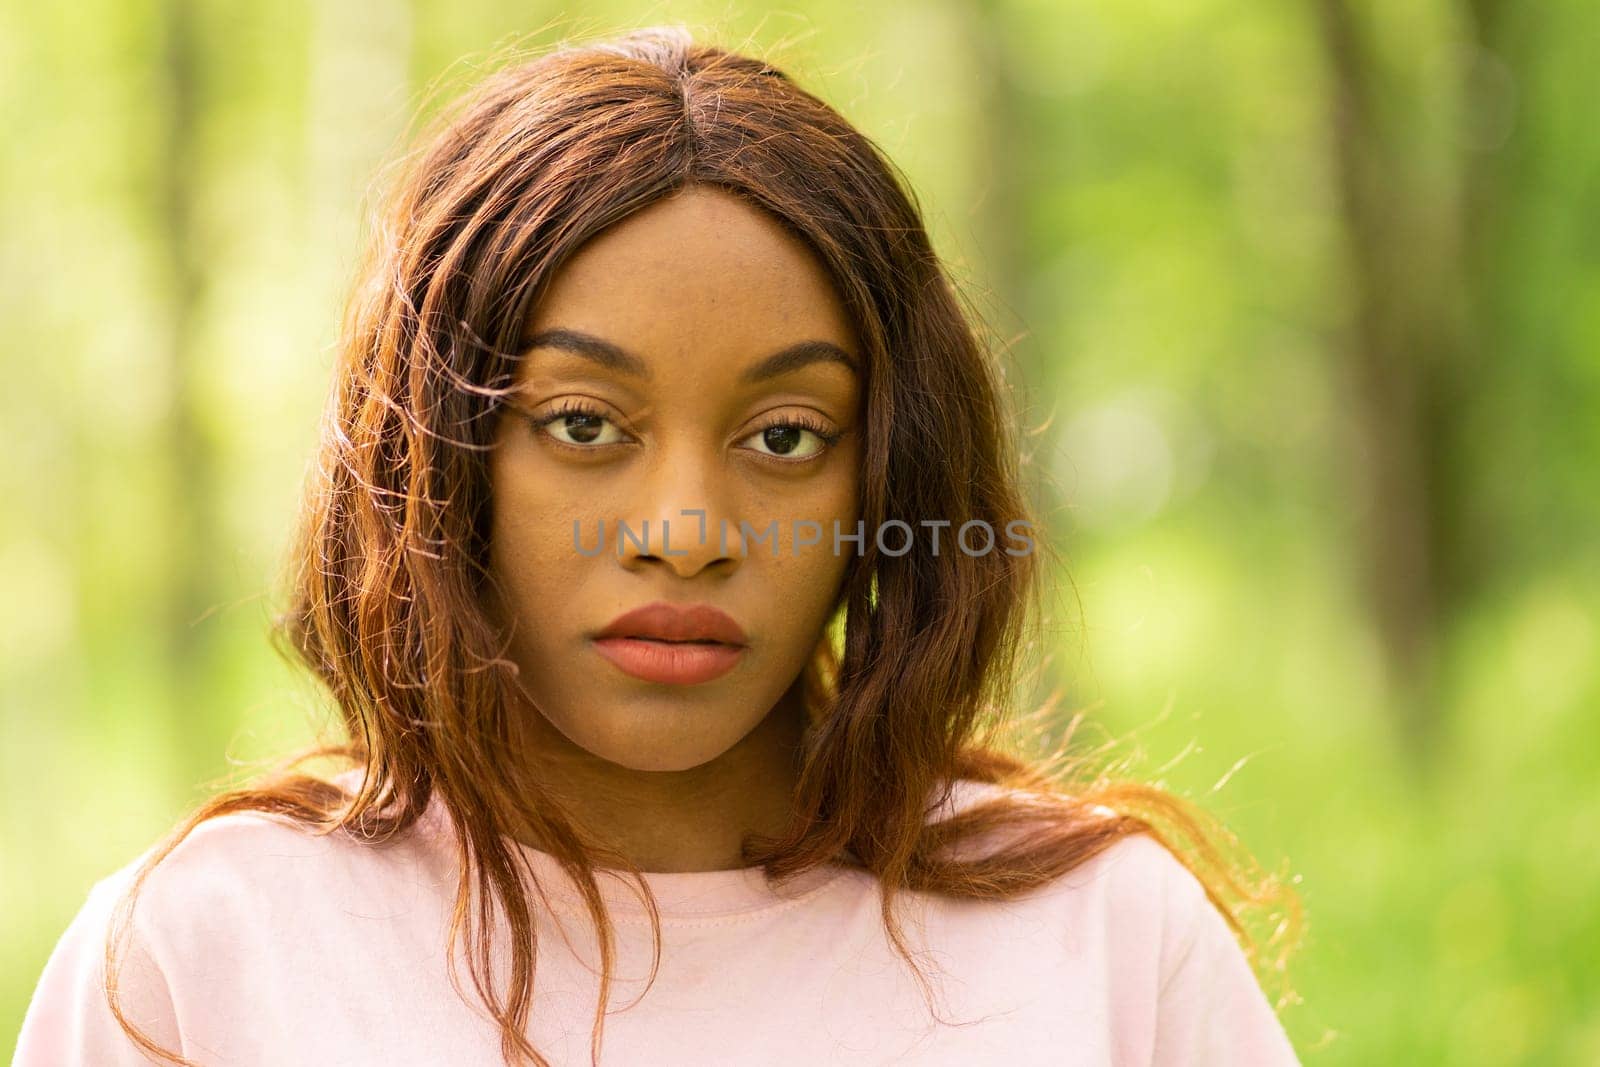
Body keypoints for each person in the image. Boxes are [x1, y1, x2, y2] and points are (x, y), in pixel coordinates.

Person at [14, 25, 1304, 1066]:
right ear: (438, 463)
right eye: (581, 423)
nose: (686, 535)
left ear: (891, 474)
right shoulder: (200, 958)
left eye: (787, 438)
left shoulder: (1103, 942)